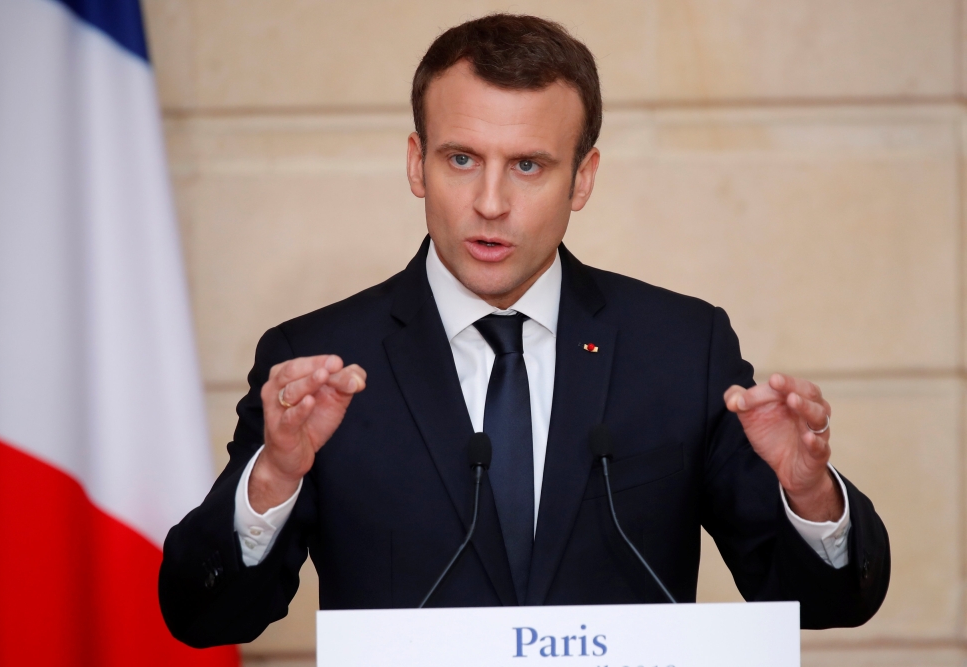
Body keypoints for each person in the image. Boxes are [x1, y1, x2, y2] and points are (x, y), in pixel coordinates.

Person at [159, 14, 889, 647]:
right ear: (417, 163)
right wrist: (275, 479)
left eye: (529, 165)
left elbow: (830, 602)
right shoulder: (317, 363)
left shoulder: (681, 349)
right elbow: (204, 614)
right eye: (461, 158)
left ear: (582, 179)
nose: (490, 201)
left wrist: (810, 495)